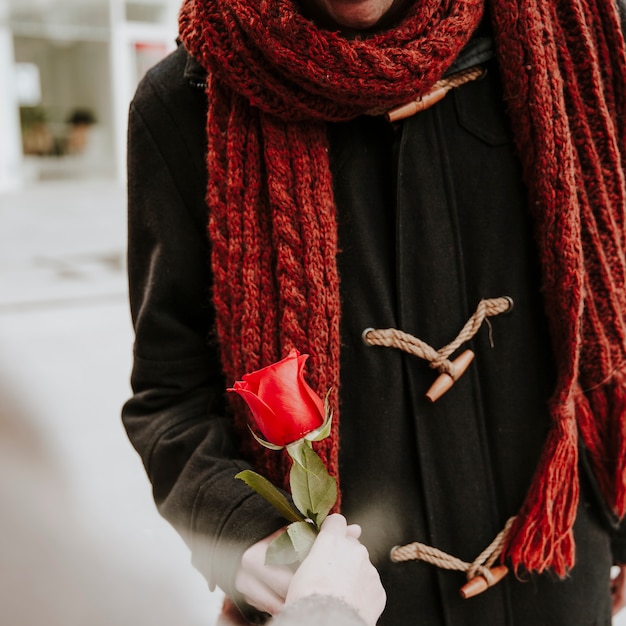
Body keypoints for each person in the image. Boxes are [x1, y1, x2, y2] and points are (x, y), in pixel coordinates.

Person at [122, 0, 626, 624]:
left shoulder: (575, 39)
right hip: (344, 604)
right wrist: (243, 538)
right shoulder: (182, 102)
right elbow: (169, 397)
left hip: (557, 575)